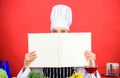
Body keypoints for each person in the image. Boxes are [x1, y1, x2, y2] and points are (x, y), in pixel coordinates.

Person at [17, 4, 100, 78]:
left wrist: (91, 63)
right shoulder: (41, 49)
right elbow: (33, 75)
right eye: (55, 31)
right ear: (50, 33)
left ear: (68, 33)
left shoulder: (76, 49)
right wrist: (26, 65)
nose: (58, 34)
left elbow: (85, 76)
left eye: (63, 31)